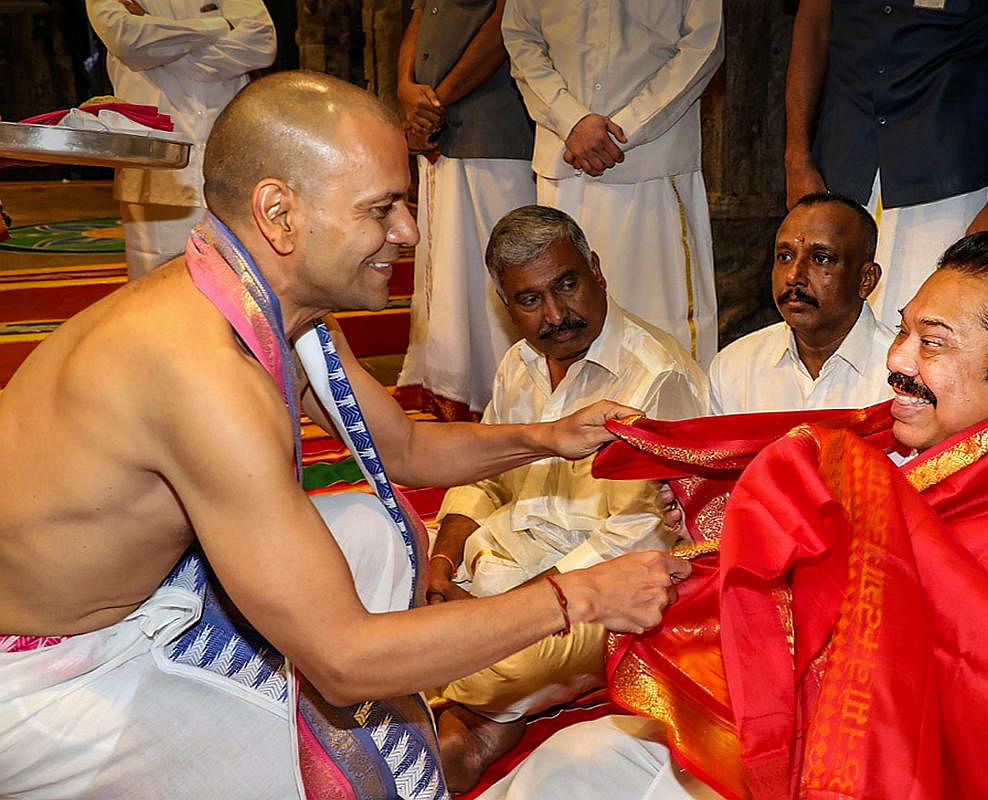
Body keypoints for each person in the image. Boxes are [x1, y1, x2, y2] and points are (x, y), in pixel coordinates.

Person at [0, 71, 690, 799]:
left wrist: (553, 435)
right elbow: (344, 663)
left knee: (371, 528)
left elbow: (408, 452)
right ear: (280, 215)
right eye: (382, 209)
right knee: (290, 767)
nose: (410, 232)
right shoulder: (202, 374)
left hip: (139, 595)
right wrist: (576, 596)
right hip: (43, 673)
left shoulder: (258, 302)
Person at [479, 233, 988, 799]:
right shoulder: (923, 433)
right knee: (571, 763)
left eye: (935, 342)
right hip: (831, 727)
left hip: (917, 772)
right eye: (905, 330)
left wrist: (863, 514)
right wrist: (737, 511)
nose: (899, 361)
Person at [428, 205, 708, 792]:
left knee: (470, 652)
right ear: (507, 306)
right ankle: (483, 716)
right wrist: (441, 563)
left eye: (567, 285)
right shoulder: (519, 363)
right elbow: (485, 473)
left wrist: (505, 611)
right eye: (530, 300)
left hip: (600, 594)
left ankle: (470, 717)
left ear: (597, 271)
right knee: (386, 570)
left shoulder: (656, 376)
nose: (555, 315)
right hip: (501, 563)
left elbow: (640, 538)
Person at [784, 0, 988, 329]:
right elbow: (812, 26)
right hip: (841, 163)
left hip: (950, 177)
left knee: (934, 335)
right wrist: (796, 158)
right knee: (826, 336)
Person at [501, 0, 724, 367]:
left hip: (652, 162)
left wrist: (625, 129)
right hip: (564, 161)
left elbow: (704, 44)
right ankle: (571, 420)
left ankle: (666, 422)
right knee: (562, 317)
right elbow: (520, 35)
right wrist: (570, 120)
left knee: (660, 320)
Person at [394, 0, 536, 420]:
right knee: (446, 268)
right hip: (439, 126)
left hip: (493, 131)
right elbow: (422, 15)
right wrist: (406, 88)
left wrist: (434, 102)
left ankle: (512, 400)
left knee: (497, 268)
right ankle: (452, 388)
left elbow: (504, 27)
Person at [86, 0, 276, 279]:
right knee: (157, 284)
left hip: (228, 157)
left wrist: (168, 54)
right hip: (156, 166)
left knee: (238, 284)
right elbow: (127, 40)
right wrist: (218, 26)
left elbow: (262, 45)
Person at [708, 192, 893, 414]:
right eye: (785, 256)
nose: (793, 276)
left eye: (820, 258)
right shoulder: (734, 368)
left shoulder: (902, 377)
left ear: (866, 280)